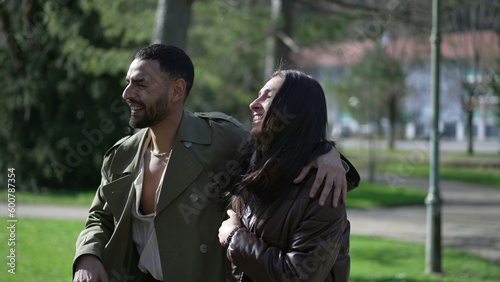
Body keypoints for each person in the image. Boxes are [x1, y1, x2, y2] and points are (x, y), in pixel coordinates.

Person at [73, 44, 354, 282]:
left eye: (141, 84)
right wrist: (87, 254)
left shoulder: (221, 139)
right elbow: (100, 216)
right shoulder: (120, 156)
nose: (127, 93)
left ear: (176, 90)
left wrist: (328, 153)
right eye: (128, 82)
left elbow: (281, 146)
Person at [219, 69, 359, 281]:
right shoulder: (247, 165)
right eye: (258, 95)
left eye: (268, 97)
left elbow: (298, 276)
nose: (254, 103)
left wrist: (234, 238)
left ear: (294, 110)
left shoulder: (322, 186)